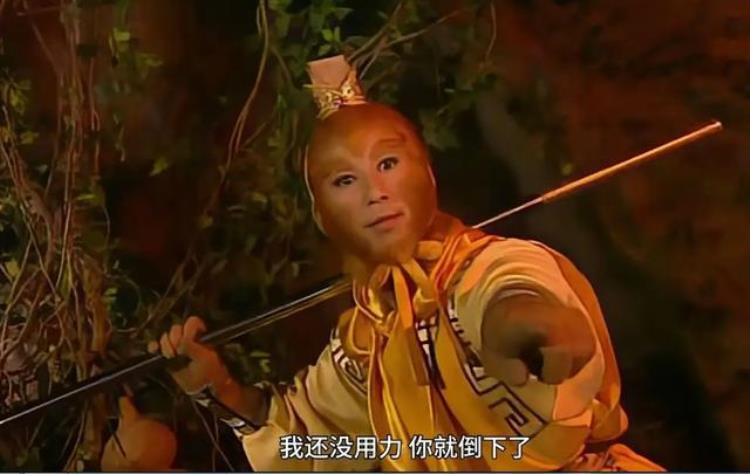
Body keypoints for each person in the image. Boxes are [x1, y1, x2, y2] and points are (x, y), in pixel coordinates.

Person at [149, 56, 664, 471]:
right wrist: (220, 390)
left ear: (428, 174)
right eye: (345, 181)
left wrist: (521, 324)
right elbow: (311, 446)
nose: (375, 193)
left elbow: (510, 295)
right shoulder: (367, 343)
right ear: (323, 216)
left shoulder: (493, 265)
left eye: (388, 163)